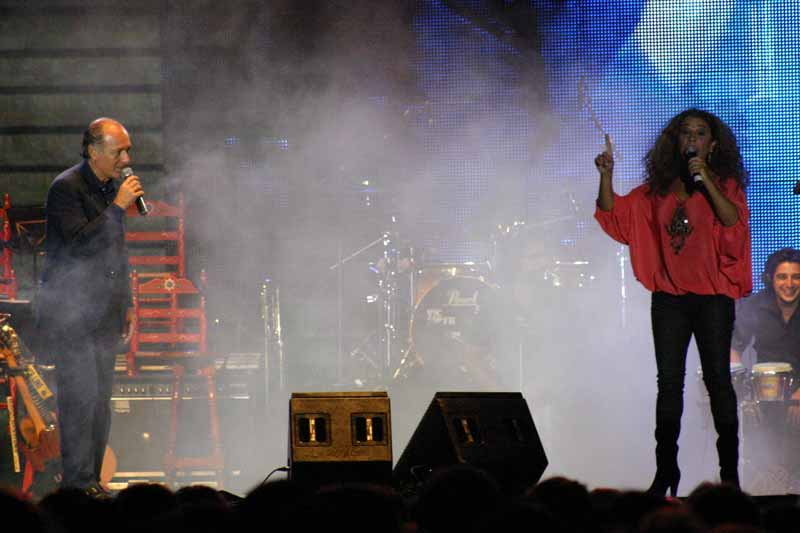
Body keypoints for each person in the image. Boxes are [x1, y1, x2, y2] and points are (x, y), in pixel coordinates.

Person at [594, 108, 752, 496]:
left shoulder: (725, 184)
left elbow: (733, 222)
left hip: (713, 299)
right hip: (670, 300)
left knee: (718, 383)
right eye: (686, 133)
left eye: (700, 134)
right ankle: (666, 472)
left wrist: (707, 182)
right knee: (669, 385)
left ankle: (728, 475)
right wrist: (606, 176)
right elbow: (615, 215)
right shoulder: (655, 191)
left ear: (712, 145)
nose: (692, 140)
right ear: (675, 141)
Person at [34, 118, 144, 496]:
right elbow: (79, 244)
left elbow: (117, 252)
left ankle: (92, 480)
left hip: (105, 312)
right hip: (72, 311)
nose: (126, 158)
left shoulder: (111, 188)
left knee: (100, 401)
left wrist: (126, 302)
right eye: (119, 151)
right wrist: (116, 208)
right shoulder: (66, 188)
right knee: (79, 398)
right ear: (94, 151)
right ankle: (77, 486)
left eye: (128, 150)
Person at [731, 247, 800, 488]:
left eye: (796, 277)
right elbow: (732, 346)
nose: (789, 284)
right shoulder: (755, 306)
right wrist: (741, 385)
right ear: (771, 279)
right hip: (766, 394)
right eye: (783, 277)